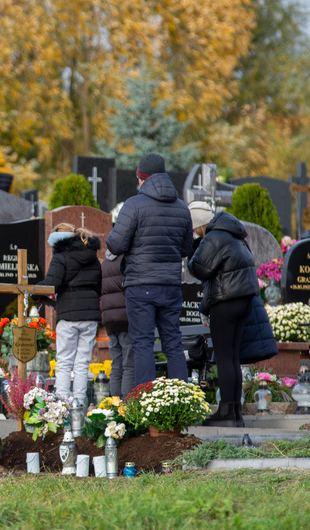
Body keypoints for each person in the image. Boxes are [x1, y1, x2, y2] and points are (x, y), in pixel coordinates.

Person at [106, 152, 193, 387]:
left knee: (143, 343)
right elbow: (186, 248)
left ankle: (145, 403)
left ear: (141, 177)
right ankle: (179, 400)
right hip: (171, 286)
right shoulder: (182, 207)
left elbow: (116, 244)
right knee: (173, 342)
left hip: (140, 285)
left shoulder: (134, 205)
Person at [187, 201, 259, 427]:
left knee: (224, 357)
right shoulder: (235, 234)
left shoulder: (213, 237)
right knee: (233, 357)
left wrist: (195, 246)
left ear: (198, 226)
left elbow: (198, 268)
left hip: (225, 302)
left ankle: (226, 413)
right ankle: (235, 411)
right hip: (244, 300)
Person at [36, 223, 102, 406]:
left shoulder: (61, 257)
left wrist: (34, 292)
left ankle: (62, 406)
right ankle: (78, 407)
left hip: (69, 315)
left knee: (64, 362)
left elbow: (52, 283)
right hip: (89, 317)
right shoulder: (93, 257)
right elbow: (98, 287)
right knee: (82, 363)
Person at [100, 250, 134, 398]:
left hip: (109, 319)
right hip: (125, 317)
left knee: (116, 364)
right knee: (129, 364)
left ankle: (114, 403)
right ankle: (127, 405)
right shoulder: (127, 260)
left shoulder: (105, 263)